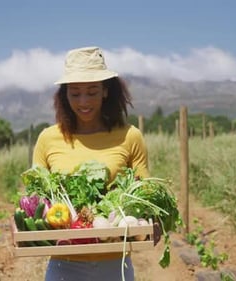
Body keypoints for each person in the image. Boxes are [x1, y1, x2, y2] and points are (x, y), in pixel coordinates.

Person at [31, 46, 150, 281]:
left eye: (92, 91)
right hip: (64, 264)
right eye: (75, 93)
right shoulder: (48, 138)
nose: (83, 101)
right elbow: (37, 198)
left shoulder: (130, 136)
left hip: (115, 263)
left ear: (105, 91)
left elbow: (144, 191)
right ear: (64, 95)